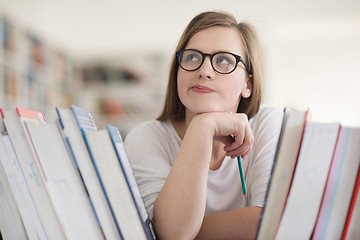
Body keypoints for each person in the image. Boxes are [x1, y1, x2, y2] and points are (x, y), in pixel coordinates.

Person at [124, 11, 283, 239]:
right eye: (191, 57)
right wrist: (203, 126)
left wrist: (184, 230)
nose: (204, 71)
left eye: (224, 60)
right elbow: (174, 234)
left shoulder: (267, 124)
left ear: (248, 84)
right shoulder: (147, 137)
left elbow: (270, 223)